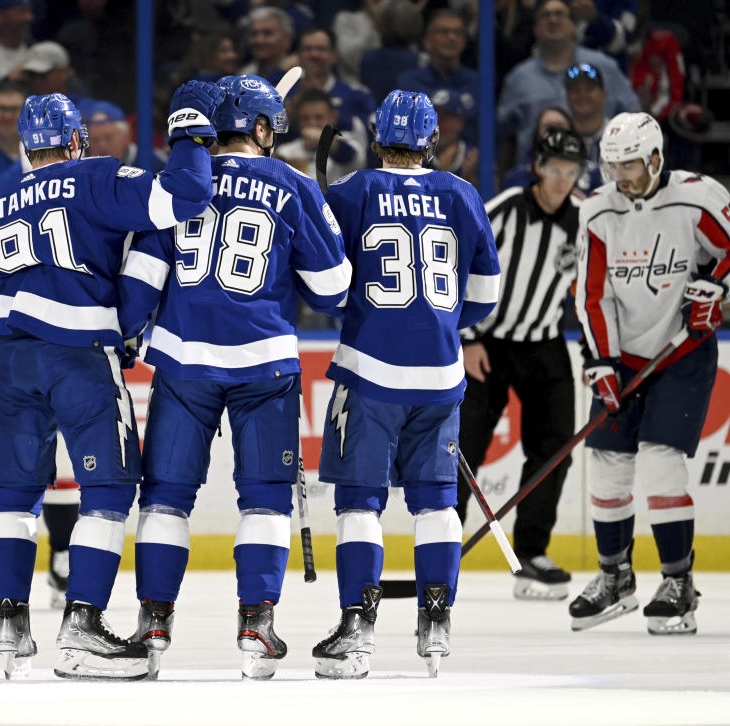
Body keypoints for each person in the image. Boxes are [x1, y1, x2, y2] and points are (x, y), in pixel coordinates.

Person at [0, 84, 223, 680]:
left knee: (12, 495)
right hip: (82, 354)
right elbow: (186, 196)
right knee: (109, 492)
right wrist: (190, 133)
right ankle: (83, 627)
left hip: (10, 361)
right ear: (72, 141)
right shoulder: (95, 177)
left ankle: (10, 629)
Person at [118, 74, 350, 681]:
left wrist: (125, 333)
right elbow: (334, 291)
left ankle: (153, 621)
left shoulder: (181, 182)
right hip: (264, 365)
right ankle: (257, 623)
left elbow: (140, 280)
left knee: (166, 497)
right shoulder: (293, 185)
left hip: (182, 364)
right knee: (266, 499)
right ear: (265, 129)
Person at [311, 90, 500, 679]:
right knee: (437, 503)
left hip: (370, 374)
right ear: (431, 142)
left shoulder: (355, 190)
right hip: (442, 377)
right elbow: (486, 299)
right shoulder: (462, 193)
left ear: (377, 137)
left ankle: (357, 630)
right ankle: (436, 622)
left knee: (359, 502)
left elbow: (324, 281)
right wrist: (440, 324)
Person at [571, 112, 730, 634]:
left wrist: (720, 293)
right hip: (625, 356)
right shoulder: (597, 212)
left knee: (660, 462)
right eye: (613, 166)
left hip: (681, 353)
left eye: (633, 165)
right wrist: (601, 362)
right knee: (608, 465)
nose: (623, 176)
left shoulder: (696, 197)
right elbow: (592, 297)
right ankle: (615, 577)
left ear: (657, 157)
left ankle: (678, 582)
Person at [458, 128, 587, 601]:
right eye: (554, 169)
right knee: (463, 448)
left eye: (570, 172)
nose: (561, 181)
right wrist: (468, 337)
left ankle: (532, 551)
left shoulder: (583, 219)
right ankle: (444, 544)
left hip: (544, 345)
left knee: (554, 448)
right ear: (537, 166)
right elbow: (459, 264)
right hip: (487, 345)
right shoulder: (507, 209)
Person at [497, 0, 638, 168]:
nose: (553, 20)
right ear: (535, 28)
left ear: (574, 24)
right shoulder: (518, 79)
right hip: (535, 177)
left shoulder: (605, 68)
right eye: (545, 15)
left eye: (560, 14)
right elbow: (500, 136)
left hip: (601, 175)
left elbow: (635, 119)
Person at [395, 9, 478, 144]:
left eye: (458, 32)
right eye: (443, 32)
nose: (451, 37)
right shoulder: (408, 82)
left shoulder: (477, 82)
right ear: (427, 40)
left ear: (464, 40)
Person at [275, 88, 365, 182]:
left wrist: (326, 140)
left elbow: (355, 160)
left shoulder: (348, 142)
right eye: (305, 118)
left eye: (319, 117)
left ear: (333, 117)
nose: (312, 123)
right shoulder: (285, 152)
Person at [564, 63, 607, 194]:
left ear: (603, 95)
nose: (582, 95)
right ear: (567, 96)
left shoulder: (620, 135)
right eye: (575, 90)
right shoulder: (556, 139)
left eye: (589, 89)